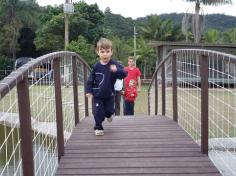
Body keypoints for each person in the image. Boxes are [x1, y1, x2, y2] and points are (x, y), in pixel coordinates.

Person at [85, 38, 127, 136]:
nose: (105, 54)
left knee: (109, 111)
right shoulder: (96, 66)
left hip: (109, 94)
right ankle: (98, 127)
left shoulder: (114, 64)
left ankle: (109, 115)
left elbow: (124, 74)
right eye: (102, 51)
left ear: (111, 52)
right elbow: (90, 79)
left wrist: (116, 70)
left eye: (107, 51)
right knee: (98, 111)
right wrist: (88, 91)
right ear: (98, 52)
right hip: (98, 94)